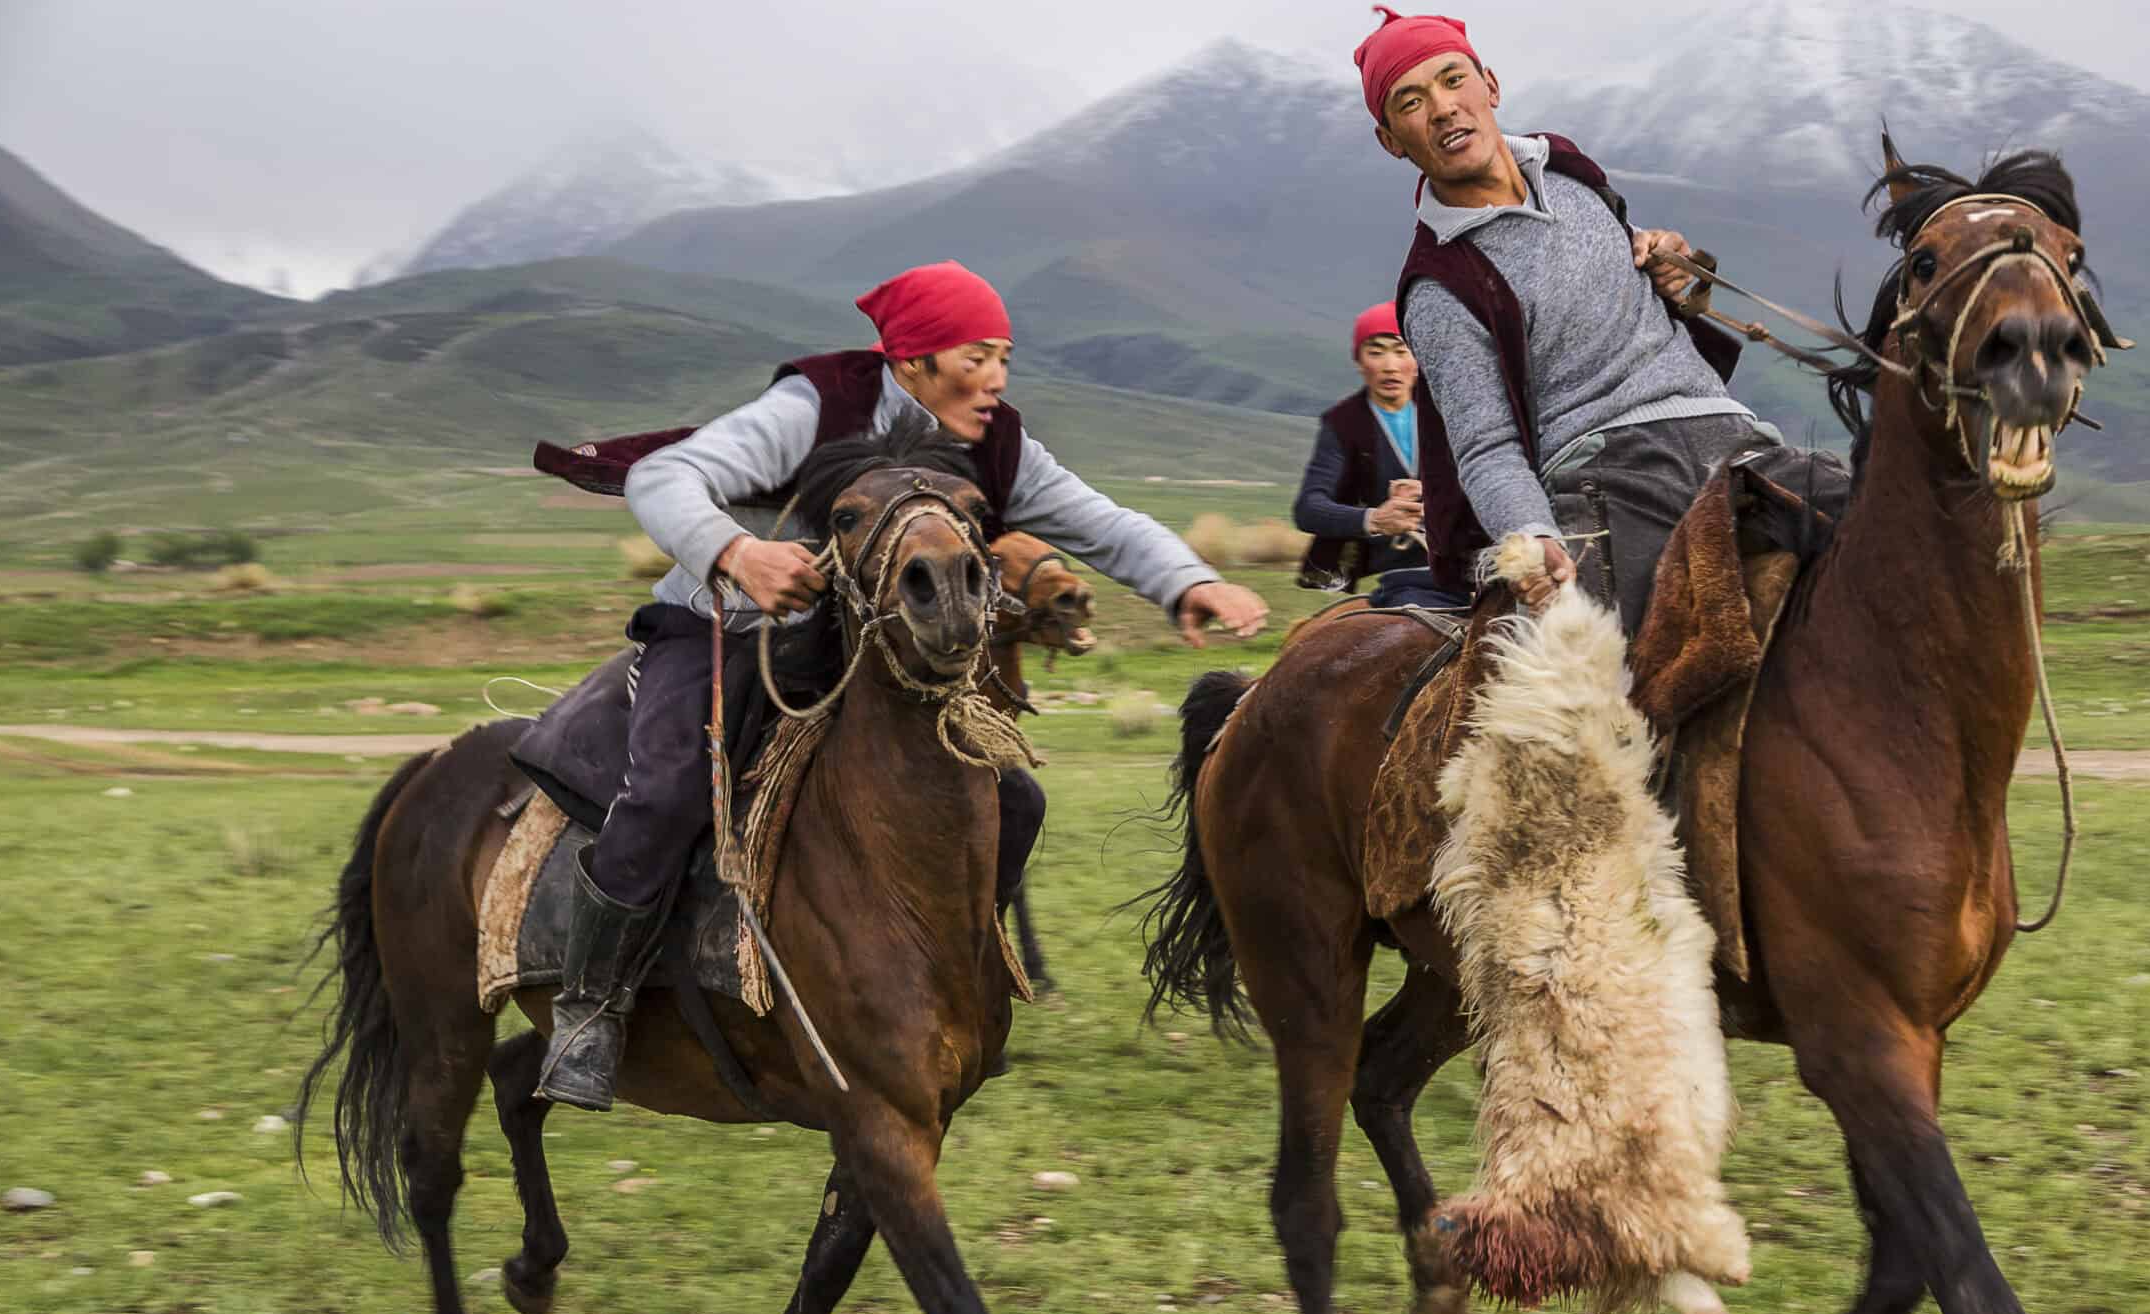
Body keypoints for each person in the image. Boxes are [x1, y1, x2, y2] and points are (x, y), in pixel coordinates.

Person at [528, 261, 1268, 1110]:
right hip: (724, 627)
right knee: (663, 790)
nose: (995, 379)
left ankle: (951, 976)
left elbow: (1103, 522)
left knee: (1014, 800)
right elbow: (665, 477)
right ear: (911, 361)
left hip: (864, 659)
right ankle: (591, 1007)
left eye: (1005, 358)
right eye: (977, 357)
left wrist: (1188, 580)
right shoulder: (814, 407)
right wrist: (741, 554)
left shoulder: (996, 442)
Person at [1357, 8, 1778, 633]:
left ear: (1489, 86)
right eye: (1411, 102)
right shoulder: (1442, 287)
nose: (1442, 108)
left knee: (1884, 544)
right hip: (1606, 475)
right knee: (1620, 678)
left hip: (1728, 431)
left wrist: (1662, 256)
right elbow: (1487, 448)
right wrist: (1531, 536)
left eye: (1452, 80)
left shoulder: (1568, 169)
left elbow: (1622, 252)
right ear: (1393, 140)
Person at [1290, 303, 1427, 594]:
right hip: (1380, 572)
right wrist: (1374, 519)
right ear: (1359, 362)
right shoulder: (1343, 424)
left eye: (1401, 351)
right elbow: (1308, 508)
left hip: (1457, 562)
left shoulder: (1448, 412)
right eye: (1376, 352)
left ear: (1417, 358)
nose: (1390, 365)